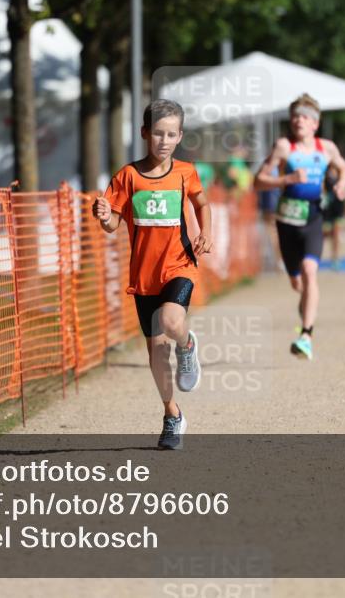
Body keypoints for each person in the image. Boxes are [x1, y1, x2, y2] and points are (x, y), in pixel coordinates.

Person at [92, 99, 212, 450]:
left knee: (173, 322)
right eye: (158, 133)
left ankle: (187, 347)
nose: (164, 140)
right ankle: (172, 415)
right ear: (145, 133)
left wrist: (207, 233)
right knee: (157, 352)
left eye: (171, 134)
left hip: (179, 265)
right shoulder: (127, 177)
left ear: (180, 137)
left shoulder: (185, 172)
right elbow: (113, 225)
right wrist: (102, 215)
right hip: (144, 276)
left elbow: (202, 203)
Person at [253, 94, 345, 360]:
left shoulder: (326, 148)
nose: (299, 120)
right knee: (298, 283)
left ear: (315, 124)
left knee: (310, 273)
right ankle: (306, 310)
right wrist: (287, 178)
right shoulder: (284, 147)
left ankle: (306, 335)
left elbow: (344, 169)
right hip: (287, 222)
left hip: (313, 219)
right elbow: (258, 181)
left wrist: (342, 184)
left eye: (305, 116)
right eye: (295, 115)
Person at [322, 165, 345, 269]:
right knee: (326, 232)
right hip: (327, 208)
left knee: (337, 233)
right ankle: (313, 256)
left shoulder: (342, 171)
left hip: (338, 207)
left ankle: (335, 258)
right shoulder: (324, 171)